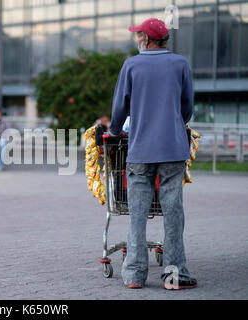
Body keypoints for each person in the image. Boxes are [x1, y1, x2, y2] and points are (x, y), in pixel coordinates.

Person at [108, 18, 196, 290]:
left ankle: (134, 275)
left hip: (140, 151)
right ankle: (174, 276)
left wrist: (113, 131)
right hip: (172, 149)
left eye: (139, 36)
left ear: (145, 39)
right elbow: (187, 106)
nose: (137, 39)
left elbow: (120, 107)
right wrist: (171, 125)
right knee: (173, 213)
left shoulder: (132, 64)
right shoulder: (180, 64)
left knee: (137, 214)